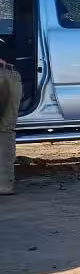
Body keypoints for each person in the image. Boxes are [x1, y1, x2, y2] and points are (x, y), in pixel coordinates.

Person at [0, 57, 18, 195]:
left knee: (6, 130)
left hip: (9, 74)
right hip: (6, 73)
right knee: (5, 131)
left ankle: (4, 185)